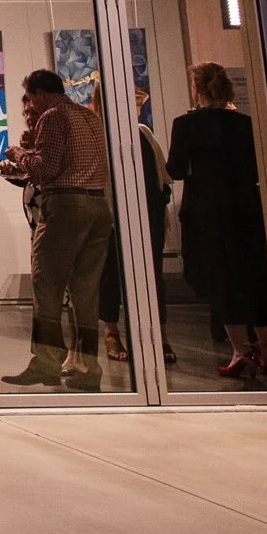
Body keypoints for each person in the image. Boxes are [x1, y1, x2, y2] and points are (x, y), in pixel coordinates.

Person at [0, 68, 113, 389]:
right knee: (85, 293)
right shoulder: (89, 117)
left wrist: (19, 154)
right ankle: (87, 368)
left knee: (46, 286)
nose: (31, 106)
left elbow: (47, 169)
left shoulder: (52, 115)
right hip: (98, 206)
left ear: (40, 93)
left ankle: (46, 362)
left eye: (31, 99)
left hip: (65, 208)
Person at [167, 61, 267, 379]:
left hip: (206, 212)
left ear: (197, 90)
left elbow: (176, 169)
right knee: (253, 275)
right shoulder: (244, 124)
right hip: (245, 208)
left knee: (220, 280)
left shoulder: (186, 125)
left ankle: (240, 350)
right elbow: (258, 168)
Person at [101, 87, 173, 368]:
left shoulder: (143, 133)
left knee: (152, 275)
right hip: (113, 214)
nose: (138, 109)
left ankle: (159, 333)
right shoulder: (102, 133)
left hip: (147, 213)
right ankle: (111, 331)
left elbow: (162, 172)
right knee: (111, 274)